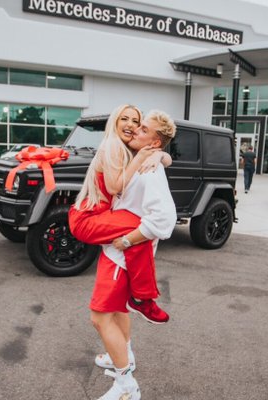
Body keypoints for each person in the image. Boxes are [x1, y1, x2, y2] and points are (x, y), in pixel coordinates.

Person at [90, 110, 176, 400]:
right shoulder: (139, 158)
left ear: (155, 142)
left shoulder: (151, 170)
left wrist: (127, 240)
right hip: (116, 253)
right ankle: (123, 355)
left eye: (143, 129)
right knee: (118, 310)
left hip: (122, 257)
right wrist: (161, 155)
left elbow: (165, 219)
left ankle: (126, 386)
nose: (135, 129)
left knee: (100, 317)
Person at [69, 105, 172, 325]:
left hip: (101, 214)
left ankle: (141, 298)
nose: (131, 126)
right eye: (124, 119)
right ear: (114, 121)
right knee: (141, 228)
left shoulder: (128, 148)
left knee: (141, 231)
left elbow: (165, 156)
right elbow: (114, 187)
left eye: (136, 122)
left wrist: (160, 155)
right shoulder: (113, 145)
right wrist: (143, 157)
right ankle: (143, 299)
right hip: (88, 217)